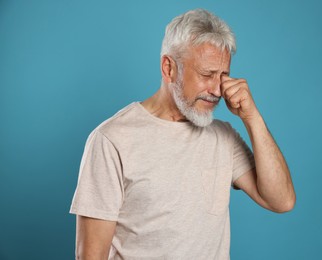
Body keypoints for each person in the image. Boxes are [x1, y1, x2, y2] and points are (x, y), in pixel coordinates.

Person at [70, 8, 296, 260]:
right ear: (169, 68)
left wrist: (252, 118)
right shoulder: (111, 139)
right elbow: (91, 255)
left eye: (223, 76)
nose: (217, 90)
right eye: (207, 75)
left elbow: (281, 201)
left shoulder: (224, 136)